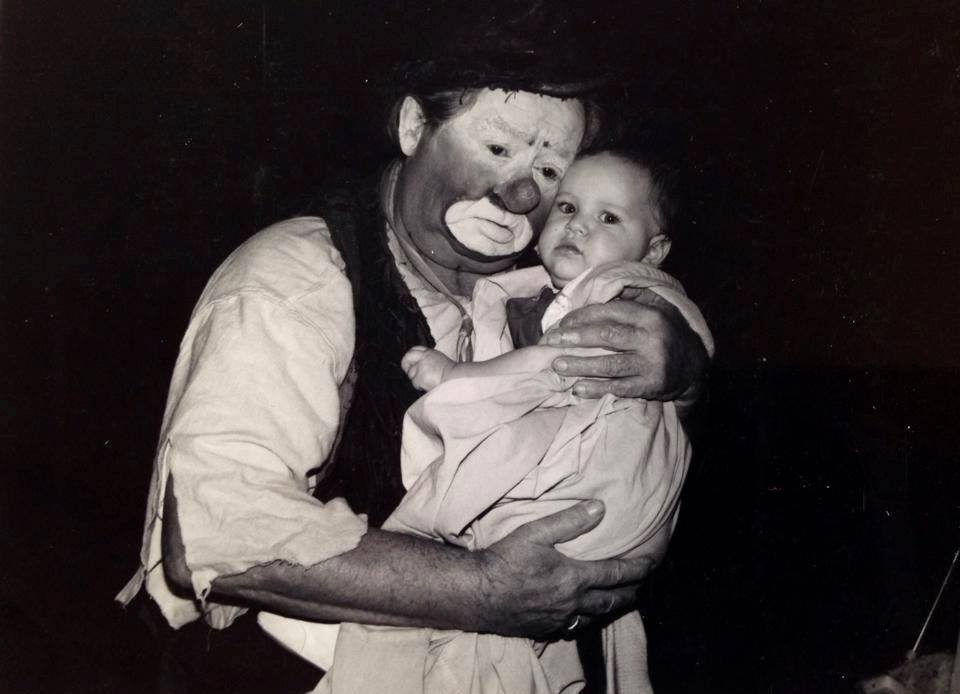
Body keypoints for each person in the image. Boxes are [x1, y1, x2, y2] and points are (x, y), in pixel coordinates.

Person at [116, 34, 710, 692]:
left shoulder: (546, 291)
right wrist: (482, 589)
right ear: (411, 127)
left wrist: (679, 373)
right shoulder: (298, 279)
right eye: (497, 149)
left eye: (549, 174)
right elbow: (215, 529)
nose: (521, 193)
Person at [276, 146, 713, 694]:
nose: (578, 225)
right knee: (478, 624)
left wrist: (453, 376)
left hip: (593, 500)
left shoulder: (614, 296)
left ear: (655, 250)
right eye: (568, 207)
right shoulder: (310, 264)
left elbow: (548, 369)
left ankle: (368, 643)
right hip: (593, 530)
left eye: (609, 218)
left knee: (445, 511)